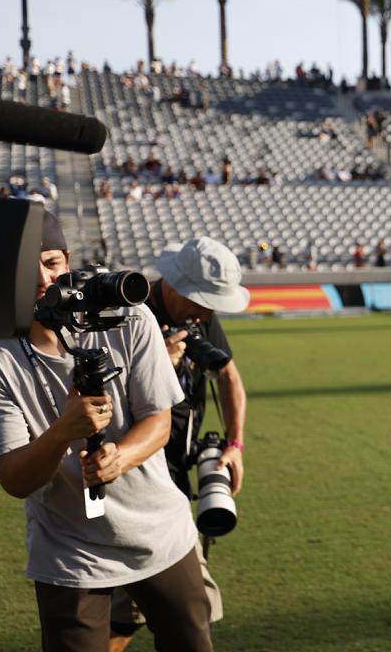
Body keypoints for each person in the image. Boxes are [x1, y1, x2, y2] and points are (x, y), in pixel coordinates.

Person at [0, 212, 212, 651]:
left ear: (68, 259)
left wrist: (119, 458)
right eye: (25, 268)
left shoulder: (128, 316)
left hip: (160, 534)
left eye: (52, 263)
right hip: (71, 552)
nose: (42, 279)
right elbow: (14, 479)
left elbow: (159, 419)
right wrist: (62, 434)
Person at [109, 236, 250, 650]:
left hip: (175, 477)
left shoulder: (198, 313)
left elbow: (228, 375)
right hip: (133, 482)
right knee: (188, 610)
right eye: (203, 301)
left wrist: (235, 445)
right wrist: (158, 365)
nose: (208, 312)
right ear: (174, 284)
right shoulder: (130, 316)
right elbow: (102, 405)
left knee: (127, 614)